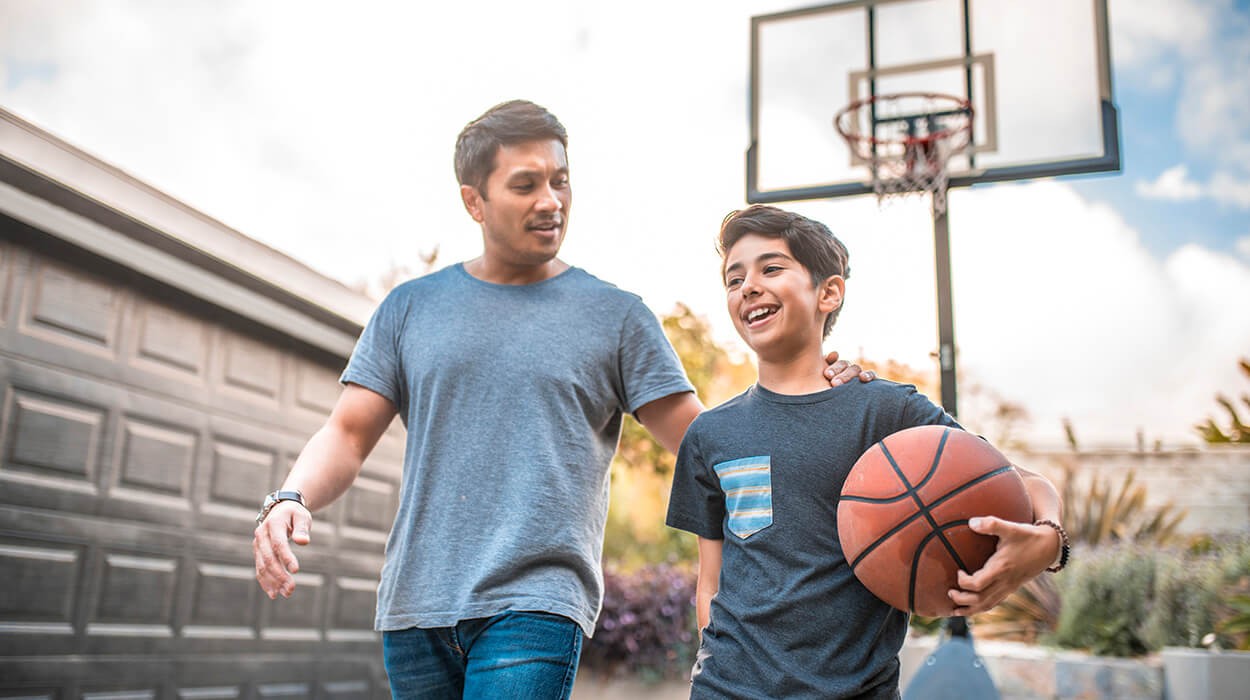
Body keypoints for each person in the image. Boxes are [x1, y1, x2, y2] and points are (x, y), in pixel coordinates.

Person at [251, 101, 873, 700]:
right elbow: (348, 432)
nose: (551, 201)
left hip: (538, 603)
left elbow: (709, 444)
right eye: (525, 185)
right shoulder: (410, 309)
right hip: (416, 607)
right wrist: (290, 496)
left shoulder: (616, 317)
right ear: (475, 200)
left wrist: (815, 393)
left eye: (561, 181)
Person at [665, 205, 1067, 699]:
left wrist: (1049, 540)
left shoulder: (886, 411)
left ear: (828, 293)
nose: (747, 286)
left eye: (771, 268)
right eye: (733, 278)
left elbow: (1024, 483)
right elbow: (712, 581)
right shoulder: (711, 433)